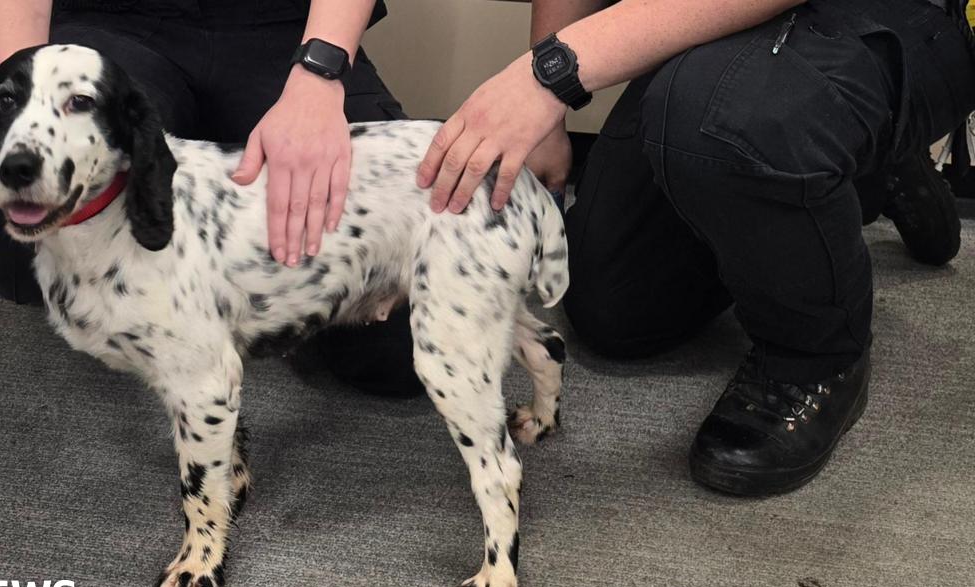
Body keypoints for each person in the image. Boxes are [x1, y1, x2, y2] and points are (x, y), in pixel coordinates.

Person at [418, 0, 975, 496]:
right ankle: (847, 159)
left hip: (890, 16)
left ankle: (816, 355)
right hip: (726, 32)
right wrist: (547, 107)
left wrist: (548, 75)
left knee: (718, 120)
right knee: (617, 309)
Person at [0, 0, 423, 396]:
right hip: (114, 23)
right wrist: (31, 89)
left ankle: (225, 301)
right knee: (6, 236)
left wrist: (320, 72)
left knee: (397, 348)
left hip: (286, 29)